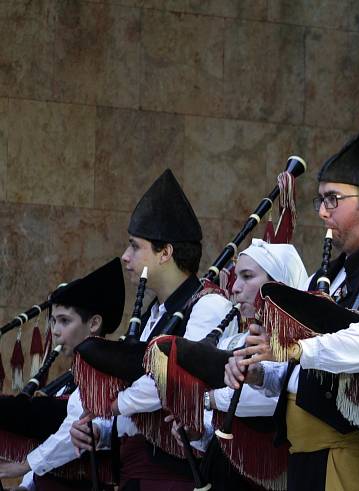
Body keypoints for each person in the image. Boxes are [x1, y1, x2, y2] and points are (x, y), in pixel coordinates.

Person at [226, 115, 359, 490]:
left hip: (353, 462)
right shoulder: (332, 276)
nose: (321, 211)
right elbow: (307, 373)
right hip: (306, 457)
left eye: (332, 199)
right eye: (320, 200)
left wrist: (290, 349)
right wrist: (262, 372)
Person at [69, 169, 232, 491]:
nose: (125, 257)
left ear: (165, 252)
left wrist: (110, 405)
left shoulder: (209, 306)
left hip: (175, 471)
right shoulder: (153, 314)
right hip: (136, 465)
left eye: (135, 246)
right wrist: (101, 430)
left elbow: (167, 379)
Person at [171, 239, 307, 490]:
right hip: (221, 473)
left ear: (279, 284)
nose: (234, 288)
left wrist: (205, 399)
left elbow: (275, 399)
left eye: (247, 276)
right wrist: (198, 432)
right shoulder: (237, 340)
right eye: (235, 277)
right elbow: (228, 432)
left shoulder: (301, 343)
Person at [0, 258, 125, 490]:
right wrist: (25, 486)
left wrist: (23, 466)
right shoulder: (66, 383)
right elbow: (46, 443)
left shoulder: (107, 376)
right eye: (54, 321)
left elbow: (73, 428)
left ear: (94, 323)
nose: (55, 331)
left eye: (65, 321)